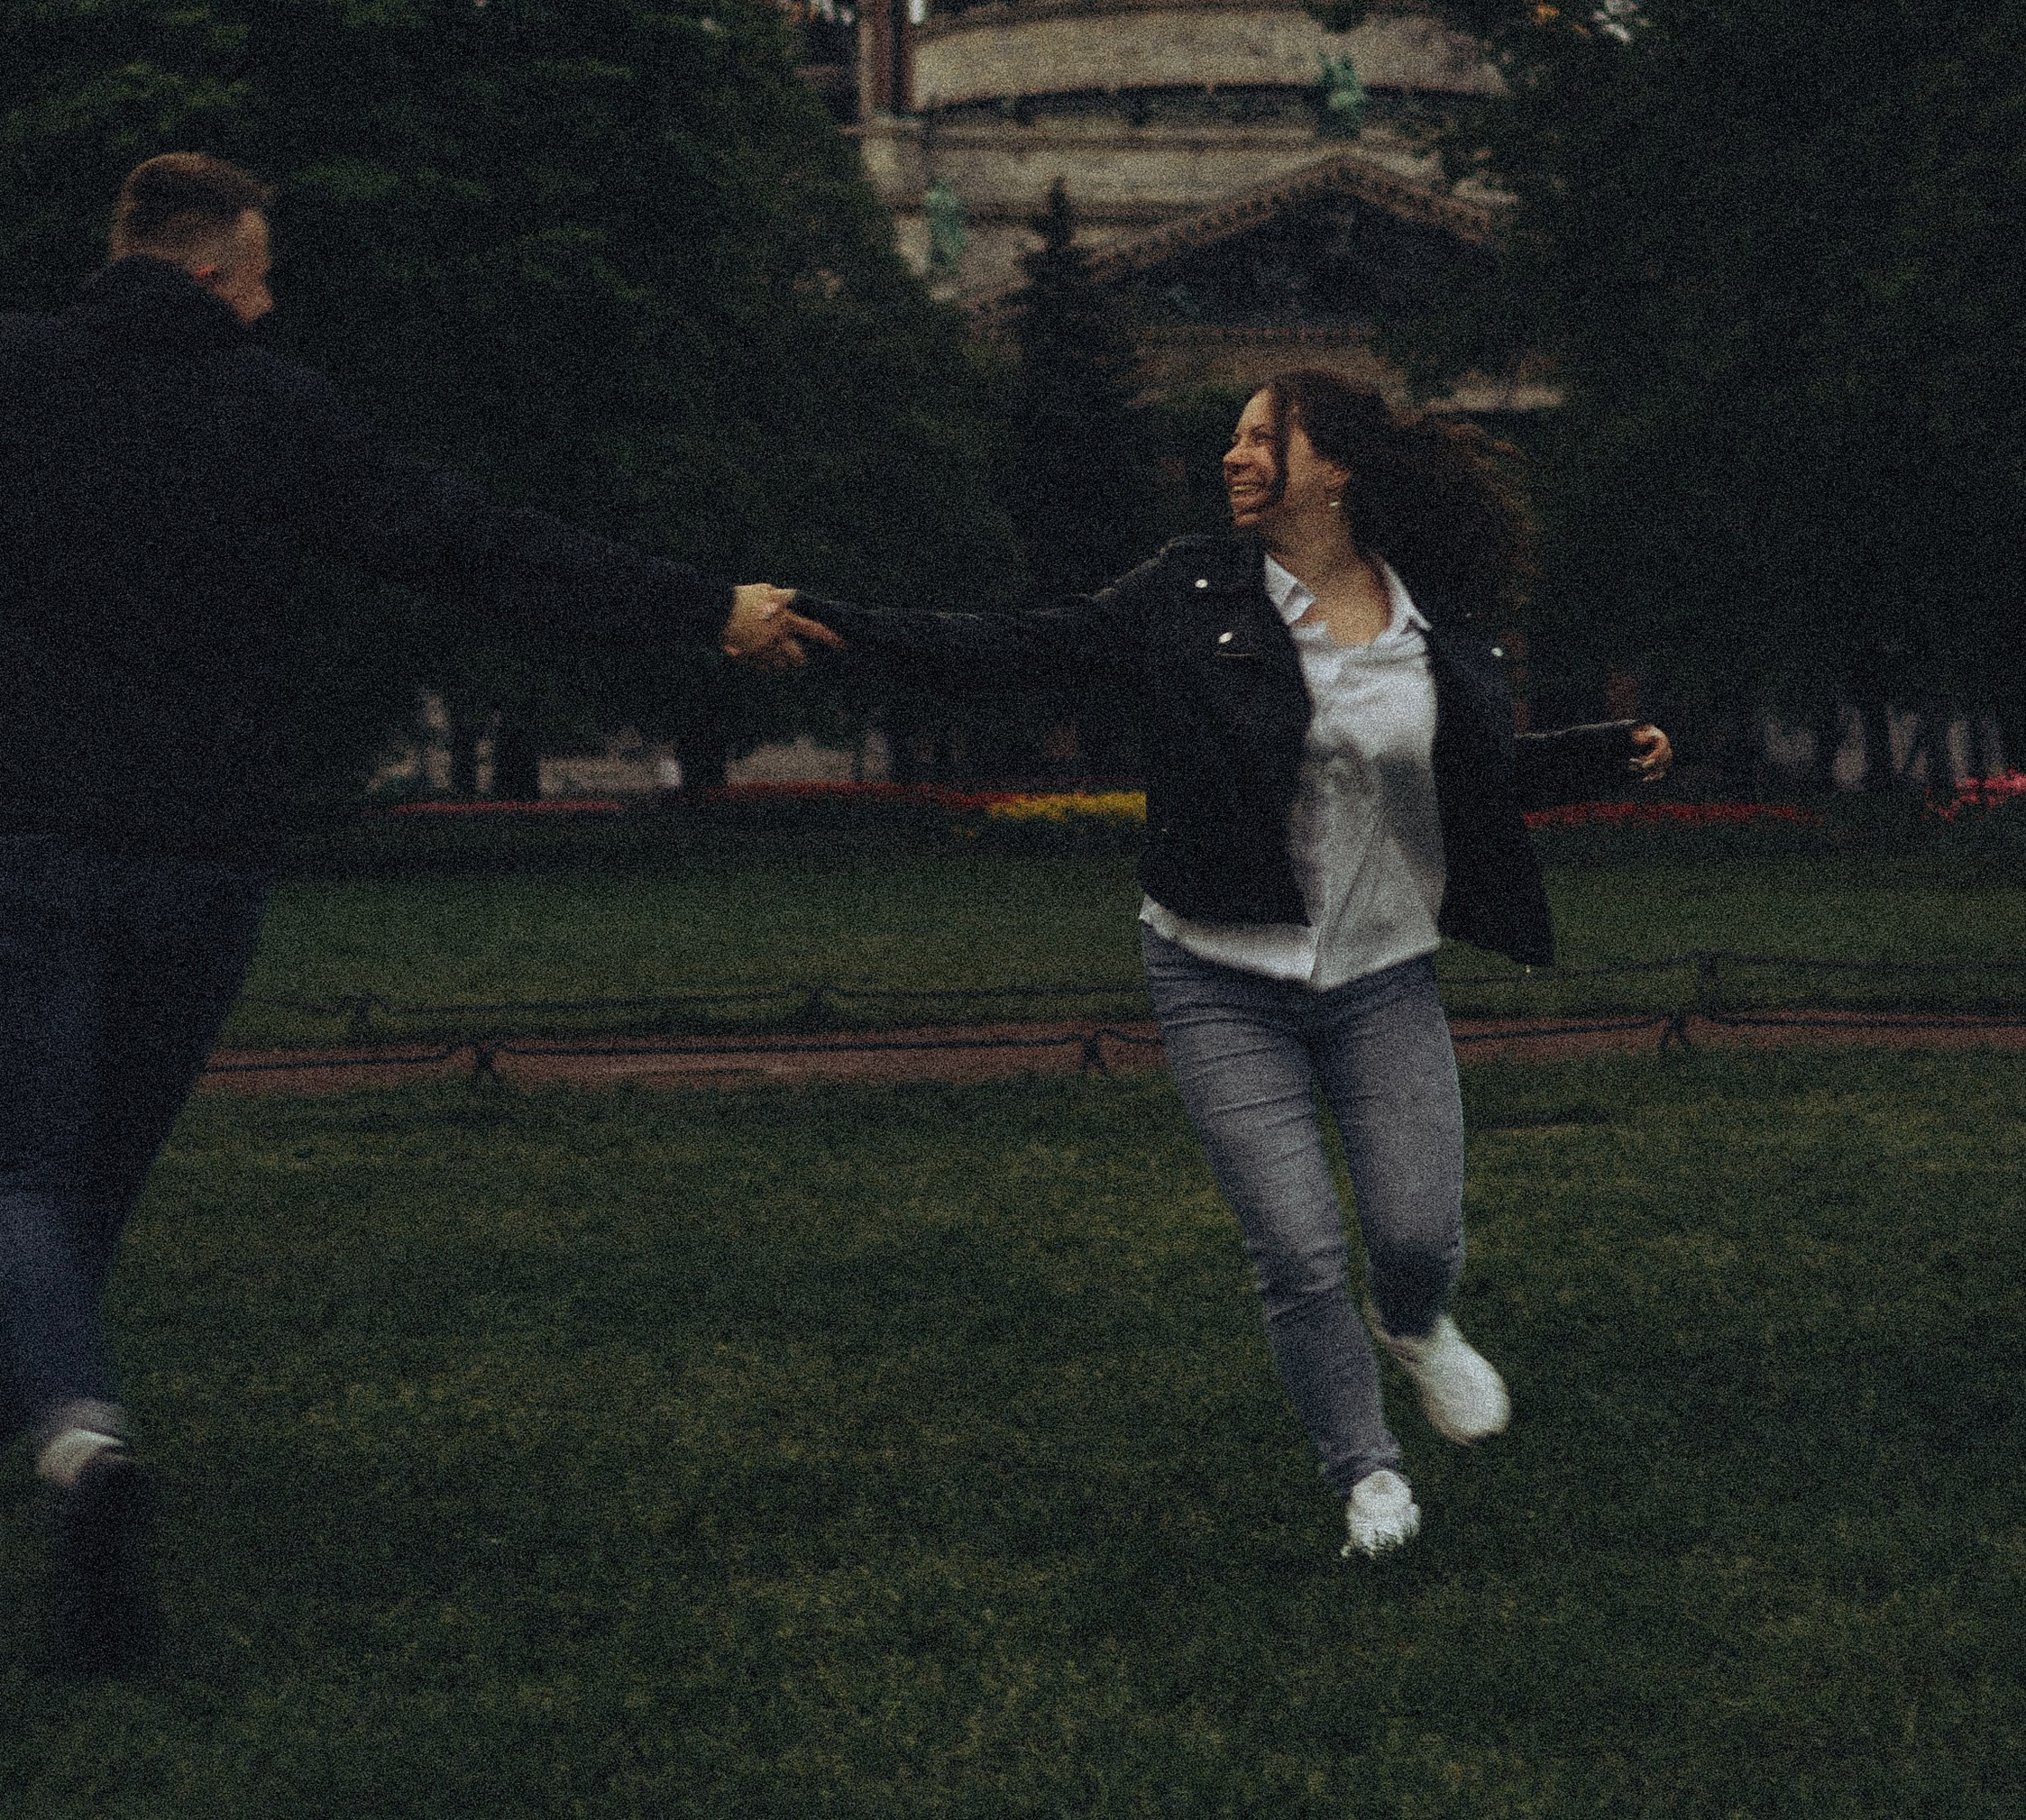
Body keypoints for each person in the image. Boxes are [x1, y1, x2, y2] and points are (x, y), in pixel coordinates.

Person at [0, 152, 827, 1672]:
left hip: (30, 835)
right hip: (205, 852)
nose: (268, 302)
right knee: (86, 1177)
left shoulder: (20, 378)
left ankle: (78, 1435)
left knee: (22, 1178)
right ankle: (69, 1426)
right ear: (204, 272)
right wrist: (703, 606)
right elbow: (476, 542)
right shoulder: (279, 408)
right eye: (258, 279)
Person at [792, 369, 1669, 1563]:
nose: (1235, 457)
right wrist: (835, 622)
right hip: (1219, 980)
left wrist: (1603, 758)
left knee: (1417, 1237)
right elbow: (1012, 649)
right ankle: (1368, 1474)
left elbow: (1472, 781)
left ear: (1336, 465)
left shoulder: (1429, 621)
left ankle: (1414, 1325)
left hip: (1382, 978)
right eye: (1235, 439)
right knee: (1299, 1248)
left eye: (1265, 438)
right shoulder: (1186, 593)